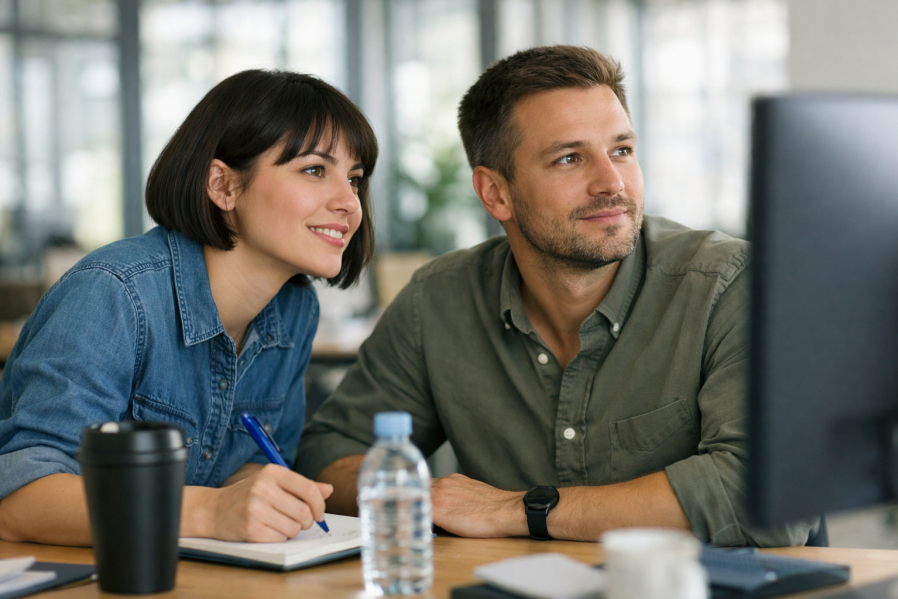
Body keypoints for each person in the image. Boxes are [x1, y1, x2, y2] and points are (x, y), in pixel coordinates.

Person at [294, 45, 813, 547]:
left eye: (622, 151)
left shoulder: (730, 284)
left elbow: (774, 499)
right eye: (569, 159)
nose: (612, 183)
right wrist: (425, 497)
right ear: (495, 193)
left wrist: (511, 510)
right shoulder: (439, 299)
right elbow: (328, 453)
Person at [0, 70, 378, 546]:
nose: (350, 203)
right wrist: (208, 511)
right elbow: (19, 502)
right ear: (223, 186)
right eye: (314, 170)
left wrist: (261, 496)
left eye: (355, 179)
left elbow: (250, 459)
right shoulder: (114, 293)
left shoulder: (294, 310)